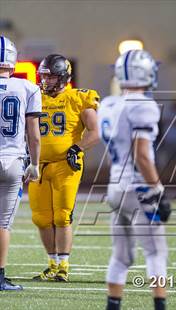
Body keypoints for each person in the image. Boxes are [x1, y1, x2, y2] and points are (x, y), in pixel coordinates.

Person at [98, 49, 171, 310]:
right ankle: (160, 305)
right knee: (156, 252)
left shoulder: (107, 104)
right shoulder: (144, 105)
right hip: (138, 188)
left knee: (121, 256)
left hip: (116, 187)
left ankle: (113, 305)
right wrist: (158, 189)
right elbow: (142, 155)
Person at [28, 54, 100, 282]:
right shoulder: (35, 97)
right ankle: (52, 263)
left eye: (50, 77)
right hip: (37, 165)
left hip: (65, 164)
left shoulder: (78, 98)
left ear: (63, 78)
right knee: (41, 218)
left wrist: (76, 148)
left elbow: (95, 132)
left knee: (61, 215)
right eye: (44, 76)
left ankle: (63, 265)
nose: (45, 81)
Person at [0, 35, 41, 290]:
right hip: (13, 160)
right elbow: (34, 134)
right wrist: (34, 164)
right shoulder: (27, 88)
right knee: (3, 223)